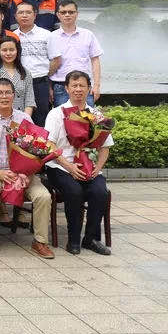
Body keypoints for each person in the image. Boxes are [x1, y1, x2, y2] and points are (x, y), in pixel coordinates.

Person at [0, 77, 54, 259]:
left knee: (43, 196)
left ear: (14, 96)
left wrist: (27, 173)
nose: (4, 96)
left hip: (24, 172)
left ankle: (40, 241)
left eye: (8, 92)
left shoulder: (24, 118)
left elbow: (35, 151)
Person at [44, 71, 113, 255]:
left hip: (89, 166)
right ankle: (73, 239)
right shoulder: (56, 114)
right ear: (66, 88)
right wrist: (69, 167)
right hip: (60, 166)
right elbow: (49, 145)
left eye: (82, 85)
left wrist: (98, 167)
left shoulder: (96, 115)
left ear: (89, 89)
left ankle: (91, 239)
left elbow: (105, 146)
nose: (78, 89)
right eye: (74, 86)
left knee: (99, 192)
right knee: (74, 191)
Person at [48, 0, 103, 106]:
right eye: (63, 12)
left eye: (71, 12)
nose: (67, 15)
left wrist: (96, 86)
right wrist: (49, 88)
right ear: (58, 15)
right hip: (60, 86)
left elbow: (95, 60)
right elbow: (47, 64)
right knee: (63, 116)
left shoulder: (88, 35)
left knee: (86, 116)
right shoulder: (51, 37)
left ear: (77, 14)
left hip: (84, 86)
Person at [13, 2, 52, 125]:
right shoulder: (12, 36)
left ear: (35, 15)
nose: (24, 15)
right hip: (18, 83)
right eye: (21, 12)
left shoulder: (46, 35)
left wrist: (46, 78)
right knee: (18, 119)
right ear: (15, 16)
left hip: (40, 82)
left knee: (41, 118)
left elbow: (55, 60)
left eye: (28, 12)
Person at [0, 37, 35, 116]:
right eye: (4, 50)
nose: (8, 53)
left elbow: (29, 101)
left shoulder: (25, 73)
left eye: (11, 50)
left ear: (17, 51)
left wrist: (24, 121)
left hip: (21, 117)